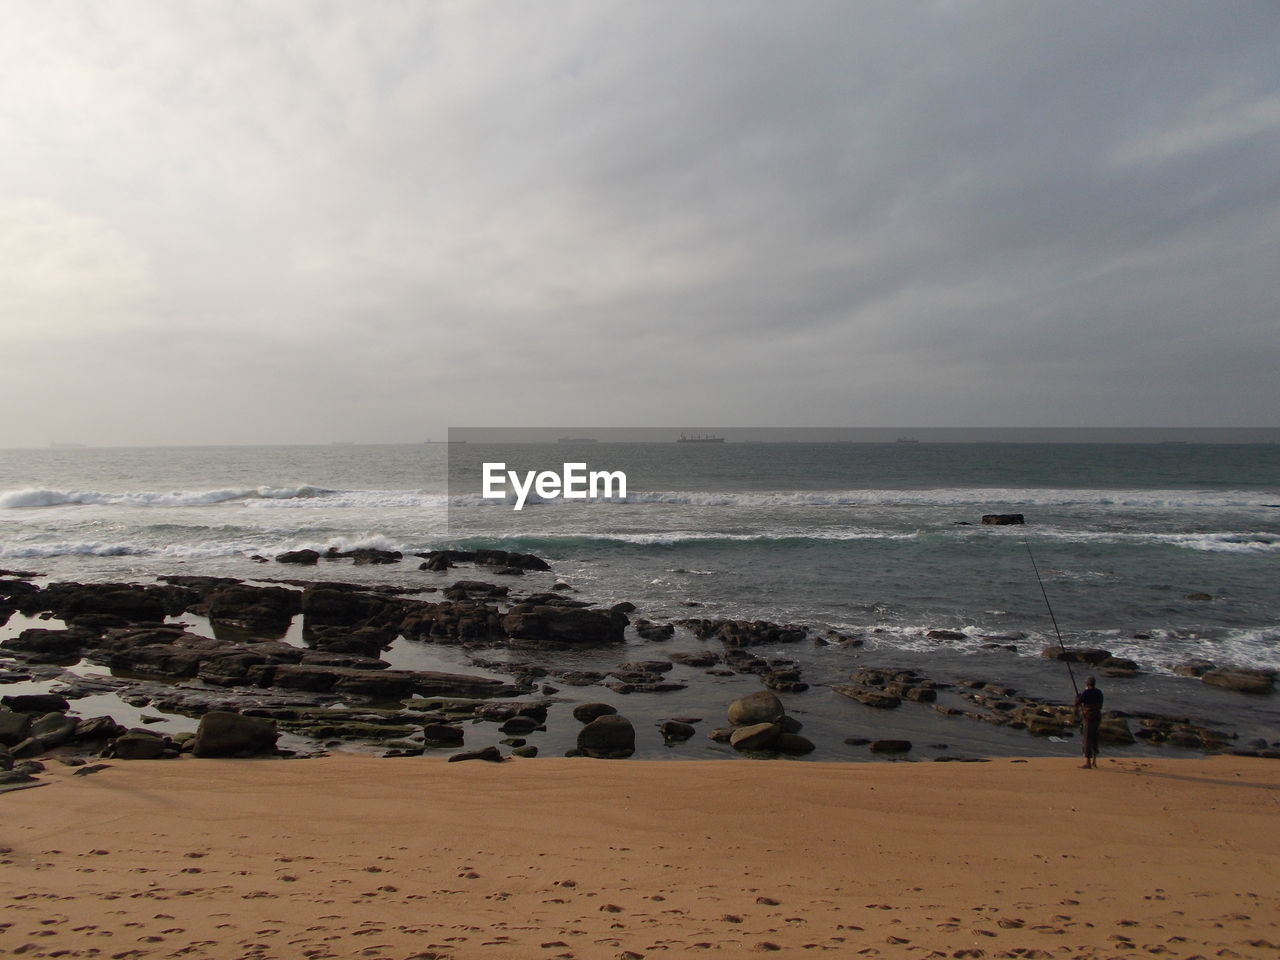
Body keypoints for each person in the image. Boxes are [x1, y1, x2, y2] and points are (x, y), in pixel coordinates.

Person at [1074, 675, 1104, 769]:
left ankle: (1088, 763)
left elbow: (1077, 703)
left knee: (1087, 738)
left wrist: (1077, 697)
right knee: (1095, 737)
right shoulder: (1099, 692)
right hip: (1097, 716)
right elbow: (1100, 705)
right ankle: (1094, 760)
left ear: (1087, 684)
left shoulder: (1086, 693)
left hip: (1089, 717)